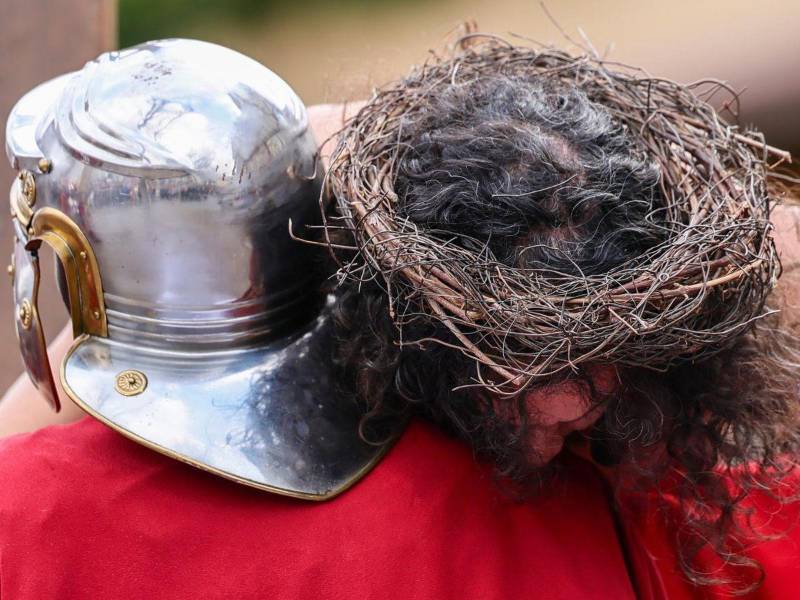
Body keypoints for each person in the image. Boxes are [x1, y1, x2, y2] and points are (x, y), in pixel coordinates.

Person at [1, 39, 799, 600]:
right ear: (419, 311)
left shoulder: (30, 513)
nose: (578, 401)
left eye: (604, 346)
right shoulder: (685, 517)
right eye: (520, 352)